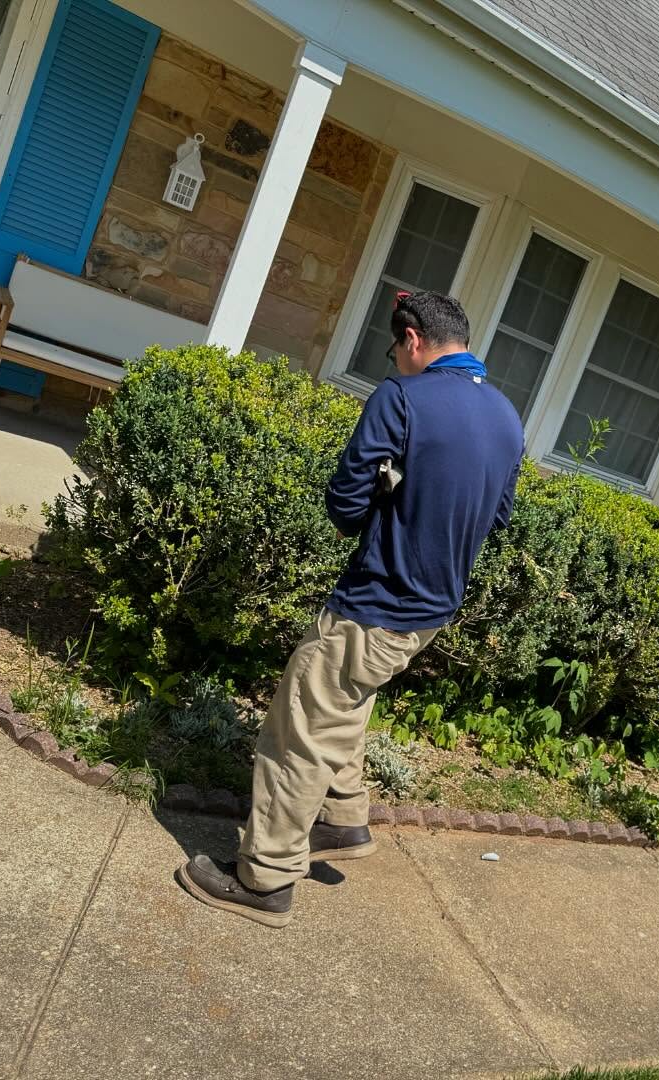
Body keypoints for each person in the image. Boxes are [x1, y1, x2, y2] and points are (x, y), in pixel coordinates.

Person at [176, 291, 524, 927]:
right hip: (430, 609)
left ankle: (266, 879)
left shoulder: (402, 397)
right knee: (346, 698)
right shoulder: (506, 417)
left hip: (375, 600)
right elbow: (496, 518)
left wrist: (391, 498)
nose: (395, 357)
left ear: (414, 339)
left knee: (299, 729)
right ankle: (341, 819)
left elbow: (344, 504)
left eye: (396, 347)